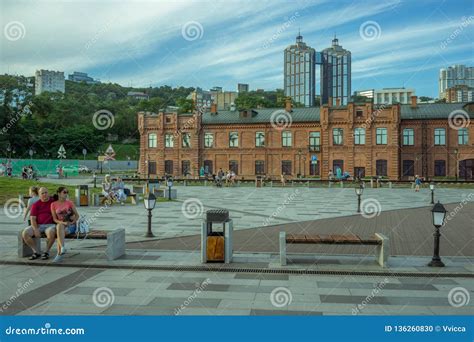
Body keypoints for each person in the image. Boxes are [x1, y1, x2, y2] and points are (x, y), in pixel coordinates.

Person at [21, 187, 56, 260]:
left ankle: (46, 252)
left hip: (50, 225)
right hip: (38, 225)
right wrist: (35, 229)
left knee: (51, 232)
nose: (44, 194)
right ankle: (36, 252)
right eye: (42, 193)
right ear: (39, 195)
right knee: (25, 233)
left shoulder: (53, 202)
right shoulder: (36, 204)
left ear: (48, 193)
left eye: (46, 192)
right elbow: (33, 218)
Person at [51, 187, 79, 263]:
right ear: (59, 193)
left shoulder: (70, 203)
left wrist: (72, 222)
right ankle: (62, 248)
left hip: (71, 225)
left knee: (59, 232)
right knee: (60, 227)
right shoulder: (53, 204)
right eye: (64, 192)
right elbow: (55, 219)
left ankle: (59, 253)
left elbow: (77, 215)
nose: (66, 194)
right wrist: (63, 223)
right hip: (62, 225)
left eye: (67, 192)